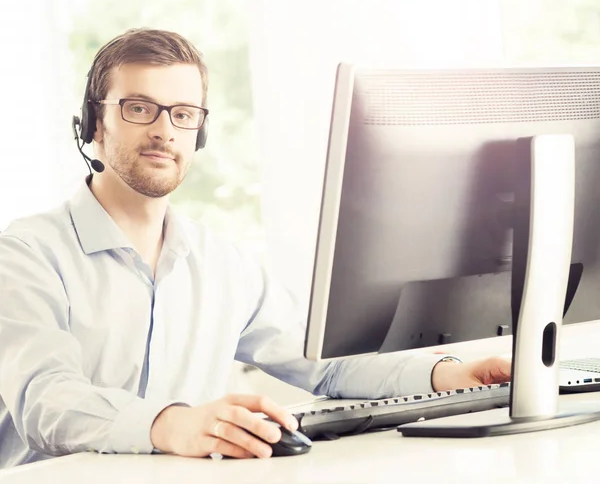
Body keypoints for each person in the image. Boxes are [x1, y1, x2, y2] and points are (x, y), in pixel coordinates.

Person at [0, 28, 511, 469]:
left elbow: (326, 365)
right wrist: (173, 425)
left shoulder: (221, 262)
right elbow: (46, 401)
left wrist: (448, 374)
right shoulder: (25, 255)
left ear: (199, 132)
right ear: (92, 124)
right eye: (138, 108)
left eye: (183, 113)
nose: (163, 130)